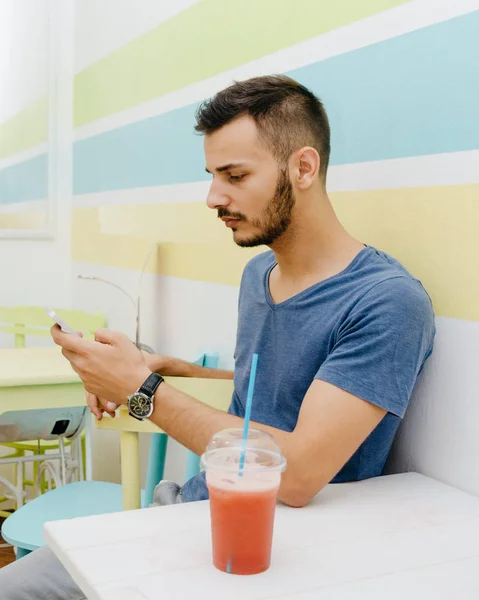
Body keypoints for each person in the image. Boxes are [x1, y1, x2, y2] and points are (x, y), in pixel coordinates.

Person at [0, 75, 435, 598]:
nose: (212, 197)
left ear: (303, 167)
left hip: (277, 552)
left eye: (234, 175)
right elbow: (276, 392)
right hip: (192, 510)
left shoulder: (387, 303)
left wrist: (140, 391)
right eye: (211, 175)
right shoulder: (260, 274)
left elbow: (295, 476)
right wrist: (177, 371)